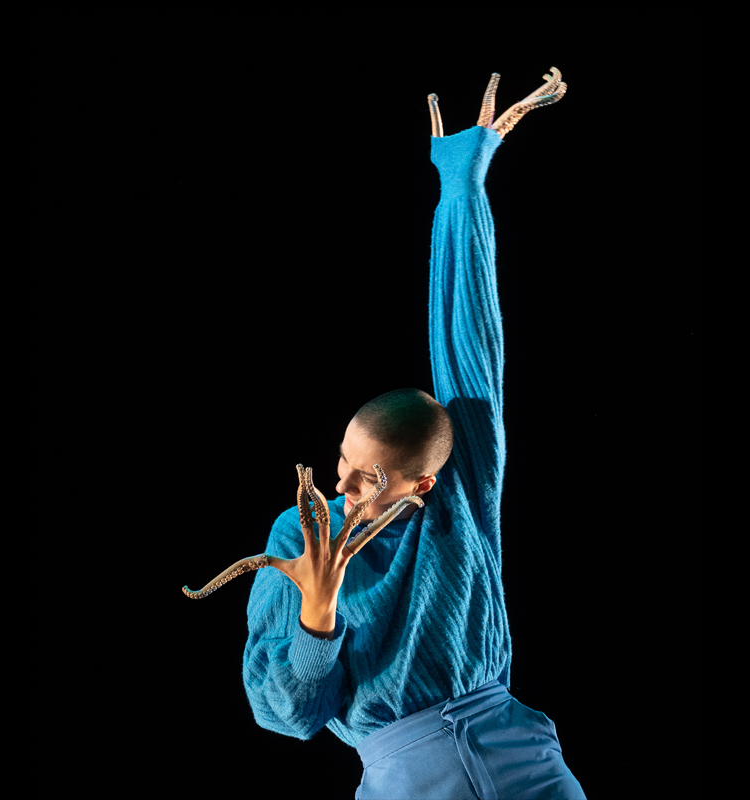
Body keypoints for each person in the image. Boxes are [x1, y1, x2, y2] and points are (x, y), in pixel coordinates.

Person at [242, 72, 586, 799]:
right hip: (408, 777)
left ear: (421, 484)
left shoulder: (458, 503)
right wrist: (316, 617)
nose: (341, 486)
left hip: (523, 764)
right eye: (342, 461)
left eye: (369, 476)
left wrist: (463, 186)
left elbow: (472, 351)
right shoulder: (300, 537)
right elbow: (290, 718)